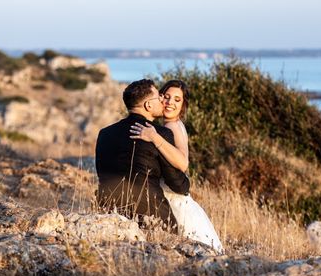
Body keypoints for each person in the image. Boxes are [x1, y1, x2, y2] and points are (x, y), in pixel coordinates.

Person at [129, 80, 224, 253]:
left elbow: (182, 163)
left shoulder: (172, 127)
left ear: (183, 106)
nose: (170, 102)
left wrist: (154, 137)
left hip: (173, 198)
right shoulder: (172, 125)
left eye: (177, 100)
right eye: (166, 96)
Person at [95, 79, 190, 232]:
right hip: (151, 217)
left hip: (108, 212)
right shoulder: (160, 133)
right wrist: (186, 185)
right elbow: (177, 184)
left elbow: (102, 173)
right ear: (148, 105)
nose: (162, 100)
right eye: (159, 97)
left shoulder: (104, 133)